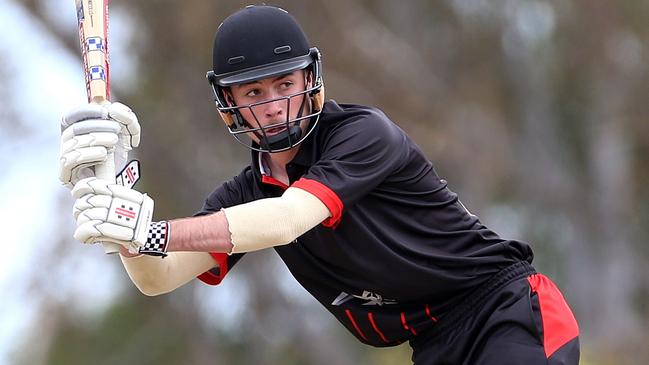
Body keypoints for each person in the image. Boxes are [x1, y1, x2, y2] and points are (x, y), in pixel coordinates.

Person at [59, 5, 580, 364]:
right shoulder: (245, 192)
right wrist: (124, 204)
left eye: (284, 83)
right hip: (432, 345)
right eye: (254, 91)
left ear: (309, 80)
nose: (273, 103)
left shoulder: (361, 133)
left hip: (506, 311)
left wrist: (152, 231)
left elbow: (287, 220)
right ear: (229, 104)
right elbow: (160, 277)